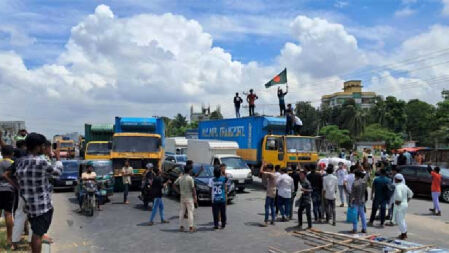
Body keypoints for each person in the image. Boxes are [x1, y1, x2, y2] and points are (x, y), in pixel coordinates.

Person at [15, 133, 62, 253]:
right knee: (37, 235)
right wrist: (58, 159)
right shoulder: (40, 162)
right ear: (37, 147)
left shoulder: (20, 162)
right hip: (41, 207)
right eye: (42, 146)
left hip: (29, 206)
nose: (44, 148)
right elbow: (57, 173)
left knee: (36, 232)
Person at [174, 164, 197, 233]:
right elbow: (193, 189)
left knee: (182, 212)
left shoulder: (180, 178)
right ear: (189, 170)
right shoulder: (190, 178)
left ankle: (181, 226)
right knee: (190, 212)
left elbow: (174, 185)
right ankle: (190, 227)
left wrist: (179, 192)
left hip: (182, 197)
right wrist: (195, 197)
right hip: (189, 197)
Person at [0, 145, 15, 247]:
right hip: (9, 190)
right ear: (12, 154)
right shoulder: (13, 163)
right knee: (8, 214)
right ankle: (9, 239)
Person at [393, 174, 413, 240]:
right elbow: (411, 193)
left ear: (396, 179)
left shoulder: (398, 187)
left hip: (400, 205)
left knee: (399, 220)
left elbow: (399, 195)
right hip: (405, 204)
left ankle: (404, 234)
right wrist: (406, 201)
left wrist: (398, 201)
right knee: (402, 219)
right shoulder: (404, 186)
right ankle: (403, 233)